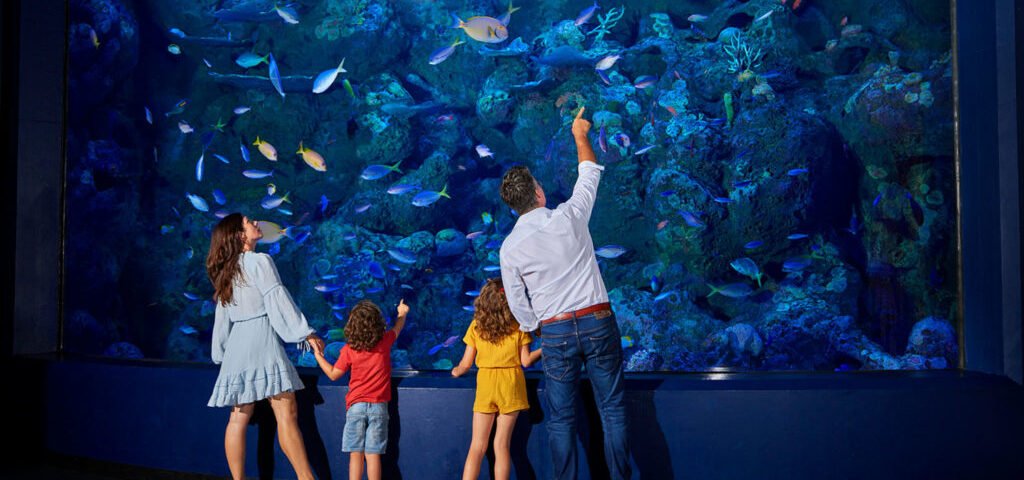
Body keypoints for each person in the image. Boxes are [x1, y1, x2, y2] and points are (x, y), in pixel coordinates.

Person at [498, 107, 631, 479]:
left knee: (561, 419)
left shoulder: (509, 249)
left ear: (512, 207)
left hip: (554, 332)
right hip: (598, 319)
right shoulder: (569, 216)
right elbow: (589, 173)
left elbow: (519, 305)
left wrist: (540, 327)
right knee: (613, 409)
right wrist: (579, 134)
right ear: (539, 192)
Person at [206, 213, 325, 480]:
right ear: (239, 235)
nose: (256, 223)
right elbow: (277, 299)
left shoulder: (227, 270)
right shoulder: (261, 261)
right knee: (286, 412)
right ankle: (306, 478)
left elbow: (222, 318)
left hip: (237, 345)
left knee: (238, 418)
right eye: (249, 222)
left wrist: (221, 353)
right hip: (262, 339)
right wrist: (304, 332)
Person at [451, 278, 543, 480]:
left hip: (486, 384)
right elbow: (525, 361)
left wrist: (457, 371)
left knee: (477, 446)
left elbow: (466, 363)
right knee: (502, 446)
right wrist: (545, 349)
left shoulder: (476, 326)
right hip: (511, 385)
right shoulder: (518, 326)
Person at [311, 299, 408, 480]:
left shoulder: (349, 350)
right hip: (379, 407)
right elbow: (398, 327)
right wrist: (402, 312)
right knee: (373, 455)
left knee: (355, 454)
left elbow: (333, 374)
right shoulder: (384, 342)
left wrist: (318, 356)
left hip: (356, 407)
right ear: (378, 324)